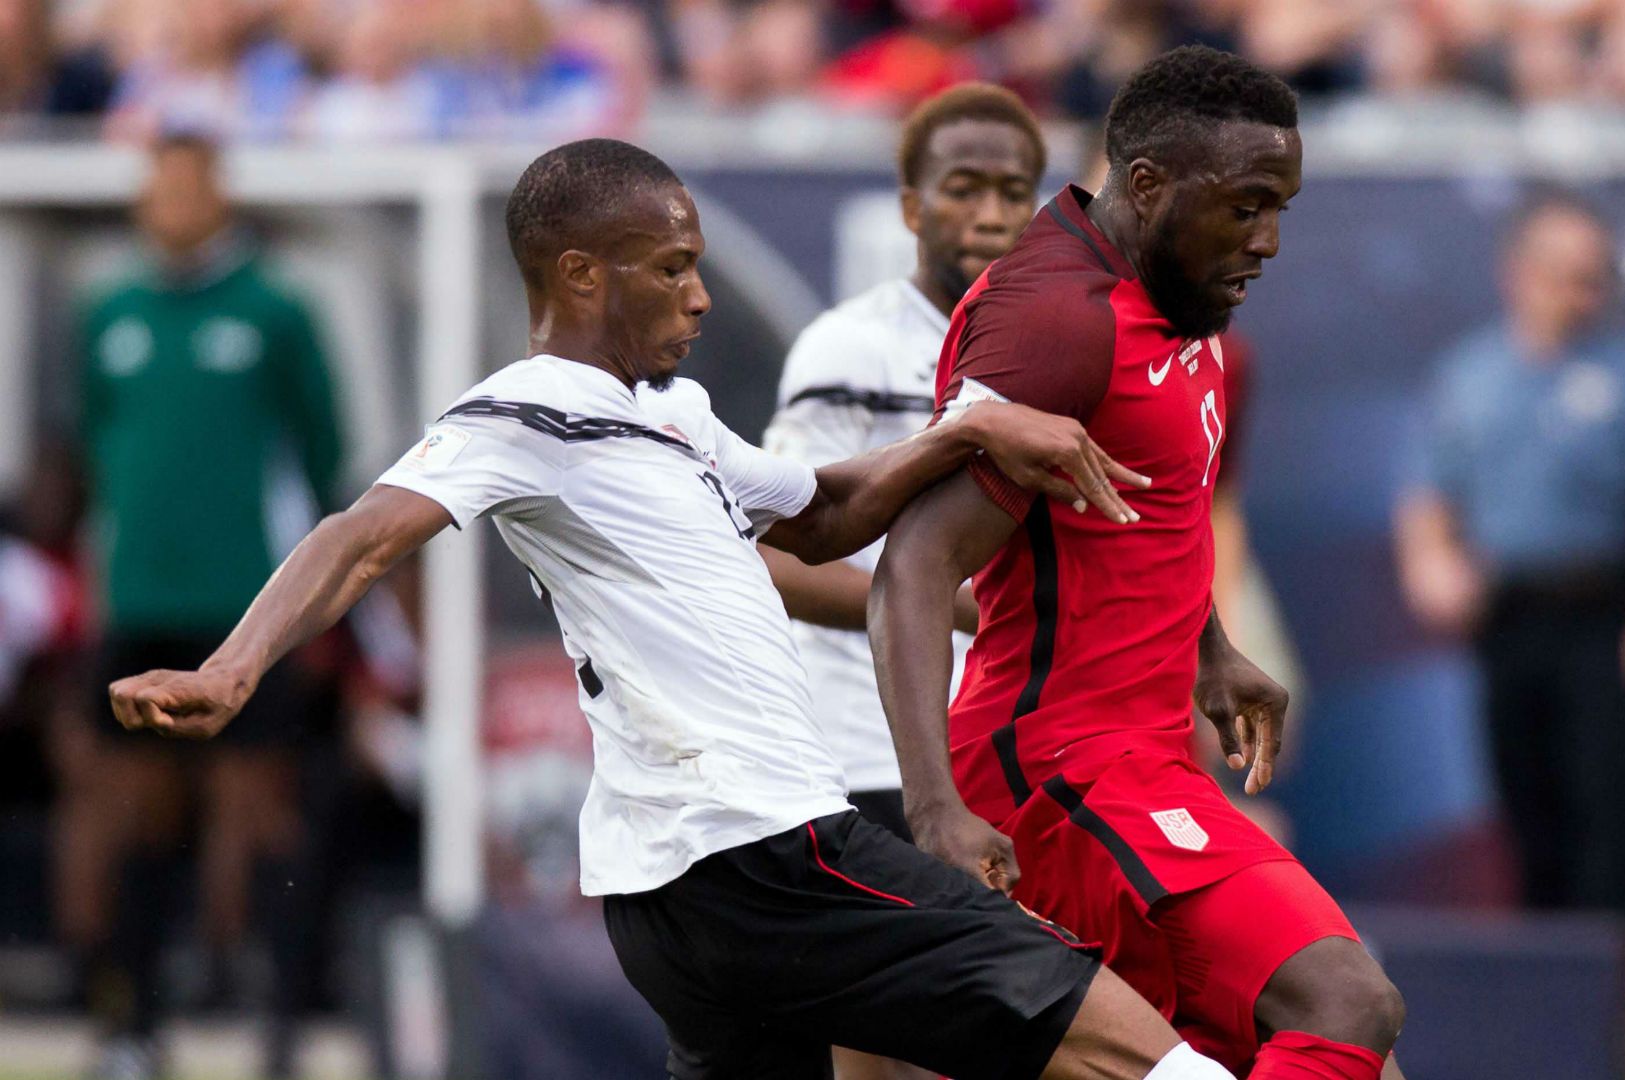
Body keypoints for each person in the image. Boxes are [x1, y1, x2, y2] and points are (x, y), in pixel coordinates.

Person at [109, 136, 1249, 1080]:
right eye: (672, 267)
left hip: (676, 901)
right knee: (1133, 1054)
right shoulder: (526, 410)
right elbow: (359, 536)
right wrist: (231, 669)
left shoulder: (675, 416)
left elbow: (824, 516)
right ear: (580, 275)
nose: (700, 293)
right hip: (764, 851)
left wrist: (966, 429)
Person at [870, 46, 1407, 1080]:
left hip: (1151, 755)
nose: (1271, 240)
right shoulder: (1053, 319)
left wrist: (1209, 645)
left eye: (1282, 207)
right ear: (1150, 185)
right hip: (1061, 772)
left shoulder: (1181, 291)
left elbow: (1155, 496)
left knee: (1342, 1057)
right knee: (1347, 1007)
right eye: (1249, 206)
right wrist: (933, 805)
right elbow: (918, 564)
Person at [761, 83, 1043, 1080]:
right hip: (871, 745)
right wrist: (968, 608)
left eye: (1015, 190)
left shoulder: (1051, 348)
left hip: (1010, 737)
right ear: (912, 206)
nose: (991, 212)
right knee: (891, 1035)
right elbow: (779, 554)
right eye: (964, 187)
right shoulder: (853, 347)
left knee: (1005, 1021)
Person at [68, 131, 343, 1080]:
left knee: (256, 814)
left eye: (189, 187)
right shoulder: (110, 313)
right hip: (139, 599)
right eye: (158, 187)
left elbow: (323, 456)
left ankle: (276, 1022)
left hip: (245, 610)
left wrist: (323, 607)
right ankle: (134, 1024)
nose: (172, 205)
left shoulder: (274, 312)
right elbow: (92, 444)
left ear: (219, 195)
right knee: (135, 817)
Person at [1394, 190, 1625, 921]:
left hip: (1605, 615)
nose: (1586, 294)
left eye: (1595, 275)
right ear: (1520, 273)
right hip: (1509, 621)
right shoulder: (1468, 378)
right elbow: (1428, 494)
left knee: (1607, 808)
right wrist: (1432, 563)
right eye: (1570, 274)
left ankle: (1614, 996)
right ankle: (1550, 994)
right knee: (1527, 807)